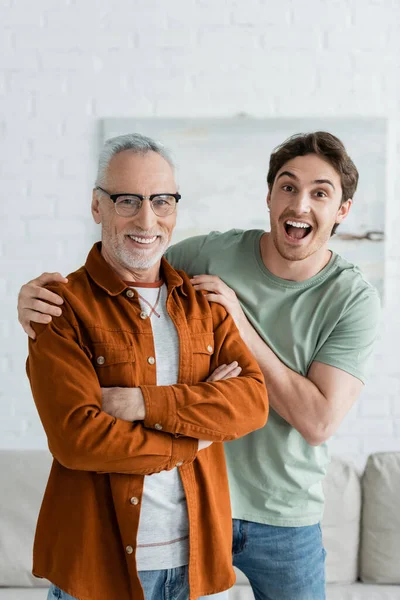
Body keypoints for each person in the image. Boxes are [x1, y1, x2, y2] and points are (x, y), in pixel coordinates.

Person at [19, 131, 380, 600]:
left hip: (280, 512)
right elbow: (128, 266)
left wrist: (146, 400)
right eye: (288, 187)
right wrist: (38, 300)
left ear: (343, 210)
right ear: (268, 195)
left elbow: (292, 414)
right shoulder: (206, 259)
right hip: (196, 509)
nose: (300, 205)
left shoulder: (348, 298)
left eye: (320, 193)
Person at [24, 133, 269, 600]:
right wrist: (192, 438)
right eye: (127, 200)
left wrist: (140, 403)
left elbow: (252, 402)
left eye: (161, 201)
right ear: (97, 206)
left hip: (195, 562)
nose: (147, 219)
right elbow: (76, 438)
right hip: (98, 567)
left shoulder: (203, 304)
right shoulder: (61, 308)